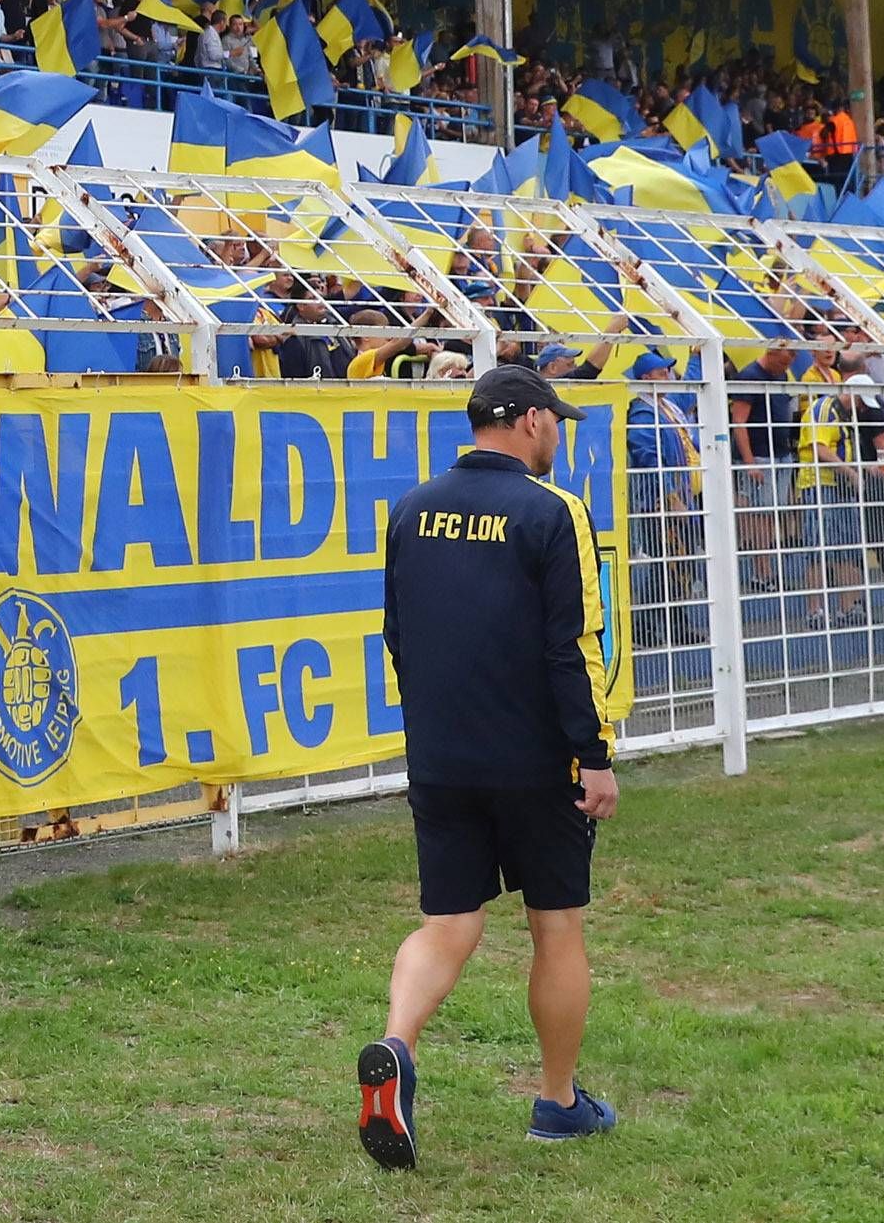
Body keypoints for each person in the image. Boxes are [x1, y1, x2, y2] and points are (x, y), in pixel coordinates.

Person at [360, 363, 624, 1165]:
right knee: (556, 924)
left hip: (441, 755)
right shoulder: (554, 511)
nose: (559, 435)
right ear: (531, 421)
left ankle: (396, 1047)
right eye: (557, 421)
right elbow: (570, 646)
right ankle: (557, 1101)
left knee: (449, 922)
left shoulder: (409, 509)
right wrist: (595, 755)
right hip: (533, 759)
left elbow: (398, 634)